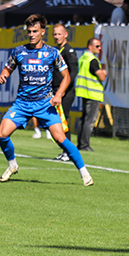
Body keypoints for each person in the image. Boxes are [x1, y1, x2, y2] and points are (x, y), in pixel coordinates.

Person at [0, 14, 93, 186]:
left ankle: (84, 172)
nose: (31, 34)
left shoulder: (52, 53)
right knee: (2, 134)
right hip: (22, 104)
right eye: (29, 31)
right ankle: (12, 165)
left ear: (43, 31)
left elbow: (66, 77)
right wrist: (3, 76)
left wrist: (58, 95)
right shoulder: (19, 51)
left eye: (35, 31)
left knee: (61, 139)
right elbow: (7, 69)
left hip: (44, 104)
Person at [50, 23, 79, 161]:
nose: (57, 37)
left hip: (65, 92)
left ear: (66, 35)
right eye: (55, 34)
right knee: (57, 122)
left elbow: (73, 71)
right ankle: (65, 150)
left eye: (59, 34)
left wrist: (63, 90)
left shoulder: (69, 51)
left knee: (63, 120)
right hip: (56, 91)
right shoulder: (56, 50)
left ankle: (68, 152)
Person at [75, 37, 107, 152]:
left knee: (84, 119)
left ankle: (80, 143)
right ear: (90, 46)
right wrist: (104, 72)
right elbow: (101, 77)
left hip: (84, 92)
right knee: (89, 121)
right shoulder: (92, 60)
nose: (100, 48)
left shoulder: (83, 57)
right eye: (97, 46)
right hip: (92, 93)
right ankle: (84, 145)